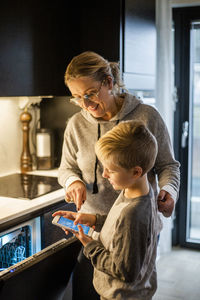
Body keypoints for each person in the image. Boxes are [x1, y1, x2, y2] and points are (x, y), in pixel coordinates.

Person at [58, 51, 180, 299]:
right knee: (96, 290)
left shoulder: (147, 117)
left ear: (109, 82)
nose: (86, 104)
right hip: (96, 225)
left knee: (128, 289)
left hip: (138, 222)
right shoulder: (76, 125)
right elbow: (66, 168)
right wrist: (74, 181)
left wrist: (169, 191)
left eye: (90, 94)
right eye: (77, 98)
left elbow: (168, 165)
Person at [53, 120, 159, 299]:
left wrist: (89, 244)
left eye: (111, 170)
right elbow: (120, 226)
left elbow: (124, 271)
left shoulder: (133, 213)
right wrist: (93, 219)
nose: (104, 175)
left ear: (136, 172)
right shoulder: (135, 190)